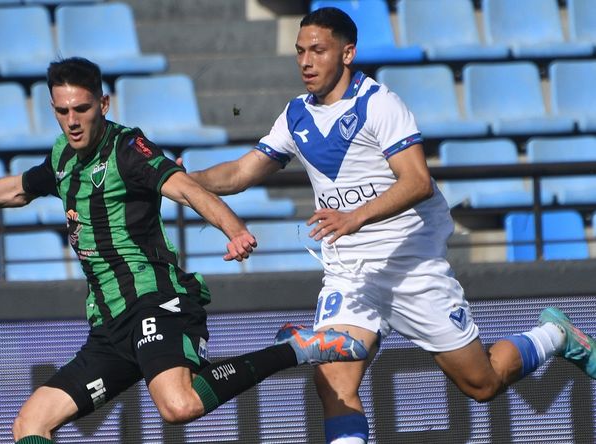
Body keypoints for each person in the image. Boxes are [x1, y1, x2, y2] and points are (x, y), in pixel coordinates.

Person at [0, 57, 367, 444]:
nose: (73, 121)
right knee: (30, 423)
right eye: (62, 111)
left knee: (178, 406)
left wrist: (233, 228)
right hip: (109, 321)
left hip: (154, 298)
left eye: (82, 109)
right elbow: (16, 189)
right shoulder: (61, 157)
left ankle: (293, 350)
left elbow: (183, 187)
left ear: (103, 103)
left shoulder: (127, 149)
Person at [183, 7, 596, 444]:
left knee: (483, 384)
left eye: (317, 50)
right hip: (351, 273)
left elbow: (417, 182)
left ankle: (554, 333)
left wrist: (353, 217)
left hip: (410, 266)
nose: (305, 61)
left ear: (347, 53)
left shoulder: (380, 104)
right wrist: (182, 180)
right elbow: (243, 171)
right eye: (300, 51)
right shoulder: (295, 115)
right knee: (334, 387)